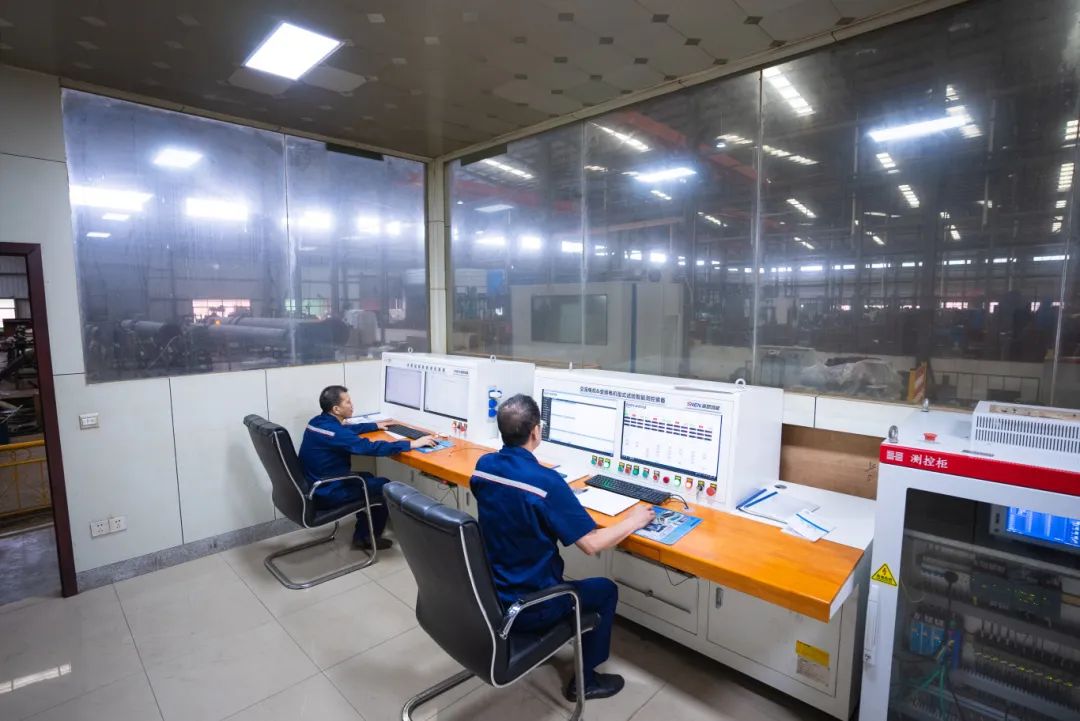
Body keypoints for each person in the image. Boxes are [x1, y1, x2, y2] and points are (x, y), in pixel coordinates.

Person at [470, 394, 655, 702]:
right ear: (536, 431)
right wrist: (634, 521)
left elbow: (511, 502)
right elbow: (591, 544)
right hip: (531, 606)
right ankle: (586, 681)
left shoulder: (483, 466)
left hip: (492, 593)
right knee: (605, 590)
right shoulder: (547, 482)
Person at [299, 385, 437, 550]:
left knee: (368, 477)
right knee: (383, 486)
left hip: (315, 484)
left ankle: (362, 533)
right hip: (328, 491)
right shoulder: (335, 433)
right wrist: (411, 444)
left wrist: (374, 426)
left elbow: (345, 429)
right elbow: (369, 448)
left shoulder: (317, 422)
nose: (352, 405)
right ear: (336, 409)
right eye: (348, 402)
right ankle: (368, 539)